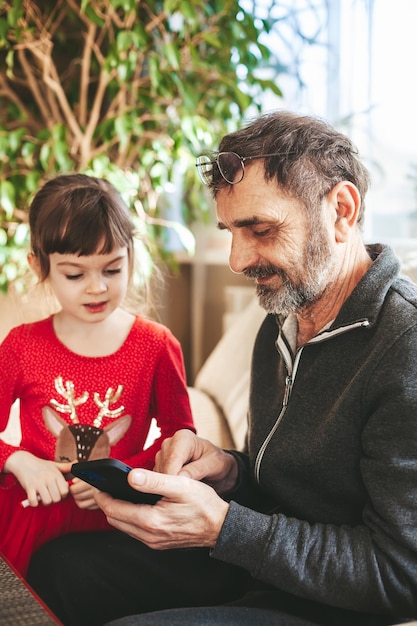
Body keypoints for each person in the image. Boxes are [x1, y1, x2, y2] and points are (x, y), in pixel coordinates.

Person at [27, 112, 417, 626]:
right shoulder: (282, 322)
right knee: (61, 567)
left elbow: (400, 574)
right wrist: (229, 470)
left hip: (335, 606)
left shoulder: (403, 347)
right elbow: (289, 486)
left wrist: (223, 528)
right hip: (262, 566)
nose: (237, 259)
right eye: (231, 231)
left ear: (342, 210)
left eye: (260, 229)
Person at [0, 173, 195, 577]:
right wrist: (18, 460)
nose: (96, 288)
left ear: (131, 258)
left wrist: (122, 477)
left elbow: (180, 439)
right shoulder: (21, 346)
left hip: (121, 522)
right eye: (75, 274)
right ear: (40, 266)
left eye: (112, 269)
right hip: (34, 518)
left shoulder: (157, 345)